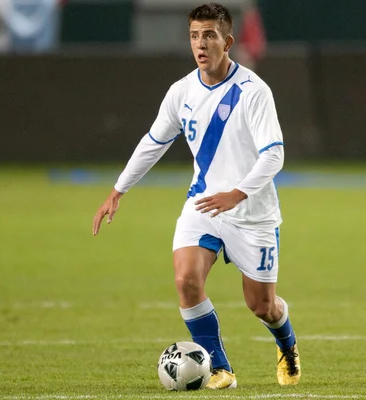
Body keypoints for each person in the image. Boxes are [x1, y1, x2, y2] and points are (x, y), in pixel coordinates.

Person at [92, 3, 300, 389]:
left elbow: (275, 153)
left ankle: (287, 344)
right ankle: (220, 368)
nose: (200, 44)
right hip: (203, 203)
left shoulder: (253, 92)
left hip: (251, 211)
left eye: (209, 35)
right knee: (186, 280)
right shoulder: (181, 91)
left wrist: (236, 194)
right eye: (194, 36)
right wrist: (118, 190)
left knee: (262, 306)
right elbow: (153, 142)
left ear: (228, 41)